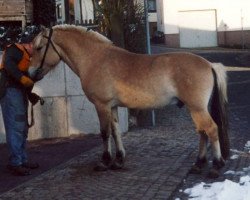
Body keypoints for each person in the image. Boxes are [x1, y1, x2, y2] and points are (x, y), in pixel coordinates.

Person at [0, 35, 41, 176]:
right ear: (29, 44)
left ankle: (22, 160)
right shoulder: (15, 50)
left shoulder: (27, 58)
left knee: (22, 128)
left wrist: (31, 95)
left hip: (18, 93)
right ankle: (15, 163)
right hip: (10, 92)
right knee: (16, 128)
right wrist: (22, 78)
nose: (35, 50)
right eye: (34, 46)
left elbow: (25, 82)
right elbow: (9, 65)